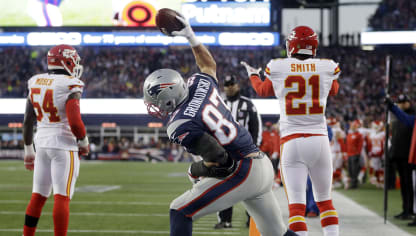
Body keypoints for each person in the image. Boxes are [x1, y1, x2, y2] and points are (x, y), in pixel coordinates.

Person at [142, 13, 296, 236]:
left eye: (155, 101)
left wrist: (198, 169)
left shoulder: (180, 123)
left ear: (168, 98)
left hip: (244, 170)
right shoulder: (199, 84)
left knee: (179, 210)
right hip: (260, 163)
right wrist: (190, 36)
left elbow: (222, 161)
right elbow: (208, 64)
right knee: (278, 233)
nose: (154, 106)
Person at [241, 25, 340, 236]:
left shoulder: (278, 66)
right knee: (325, 202)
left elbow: (261, 90)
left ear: (291, 45)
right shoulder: (326, 66)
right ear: (313, 46)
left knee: (296, 208)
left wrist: (253, 75)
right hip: (319, 141)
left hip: (292, 141)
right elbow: (334, 89)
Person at [22, 44, 89, 236]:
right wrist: (83, 142)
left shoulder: (35, 81)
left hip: (41, 144)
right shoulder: (70, 83)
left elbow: (27, 120)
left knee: (38, 196)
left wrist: (28, 150)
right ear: (66, 60)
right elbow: (75, 122)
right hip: (64, 145)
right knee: (62, 196)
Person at [214, 75, 263, 229]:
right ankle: (225, 220)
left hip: (245, 152)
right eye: (227, 85)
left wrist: (254, 149)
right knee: (225, 188)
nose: (229, 87)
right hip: (225, 153)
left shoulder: (248, 105)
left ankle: (252, 219)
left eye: (232, 84)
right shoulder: (218, 104)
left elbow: (256, 127)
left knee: (250, 188)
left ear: (238, 85)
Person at [385, 97, 416, 226]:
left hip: (411, 158)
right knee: (412, 187)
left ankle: (414, 213)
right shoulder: (415, 119)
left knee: (414, 187)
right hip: (412, 158)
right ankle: (413, 213)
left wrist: (393, 107)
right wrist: (392, 107)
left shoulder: (415, 118)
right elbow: (403, 118)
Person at [390, 94, 415, 220]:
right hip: (399, 155)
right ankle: (405, 209)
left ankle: (410, 210)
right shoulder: (399, 117)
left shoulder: (411, 116)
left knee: (409, 184)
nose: (401, 104)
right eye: (399, 103)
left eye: (403, 102)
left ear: (408, 102)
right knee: (404, 185)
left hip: (408, 156)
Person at [346, 120, 364, 189]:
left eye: (354, 126)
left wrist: (358, 153)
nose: (352, 127)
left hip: (355, 154)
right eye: (352, 126)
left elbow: (360, 145)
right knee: (350, 169)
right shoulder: (349, 135)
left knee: (354, 170)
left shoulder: (359, 135)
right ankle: (352, 183)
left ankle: (354, 184)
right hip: (349, 154)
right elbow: (347, 145)